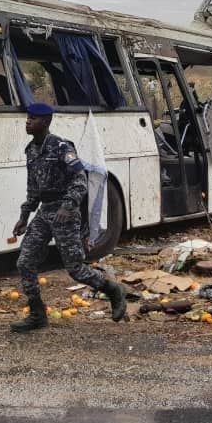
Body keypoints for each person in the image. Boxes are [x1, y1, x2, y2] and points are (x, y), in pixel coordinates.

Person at [10, 102, 128, 332]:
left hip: (66, 213)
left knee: (75, 269)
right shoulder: (31, 151)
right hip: (45, 211)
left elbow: (80, 180)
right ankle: (37, 315)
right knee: (25, 262)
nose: (28, 122)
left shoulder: (62, 147)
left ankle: (113, 290)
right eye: (27, 118)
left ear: (45, 122)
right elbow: (33, 188)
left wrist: (69, 205)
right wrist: (24, 216)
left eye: (33, 119)